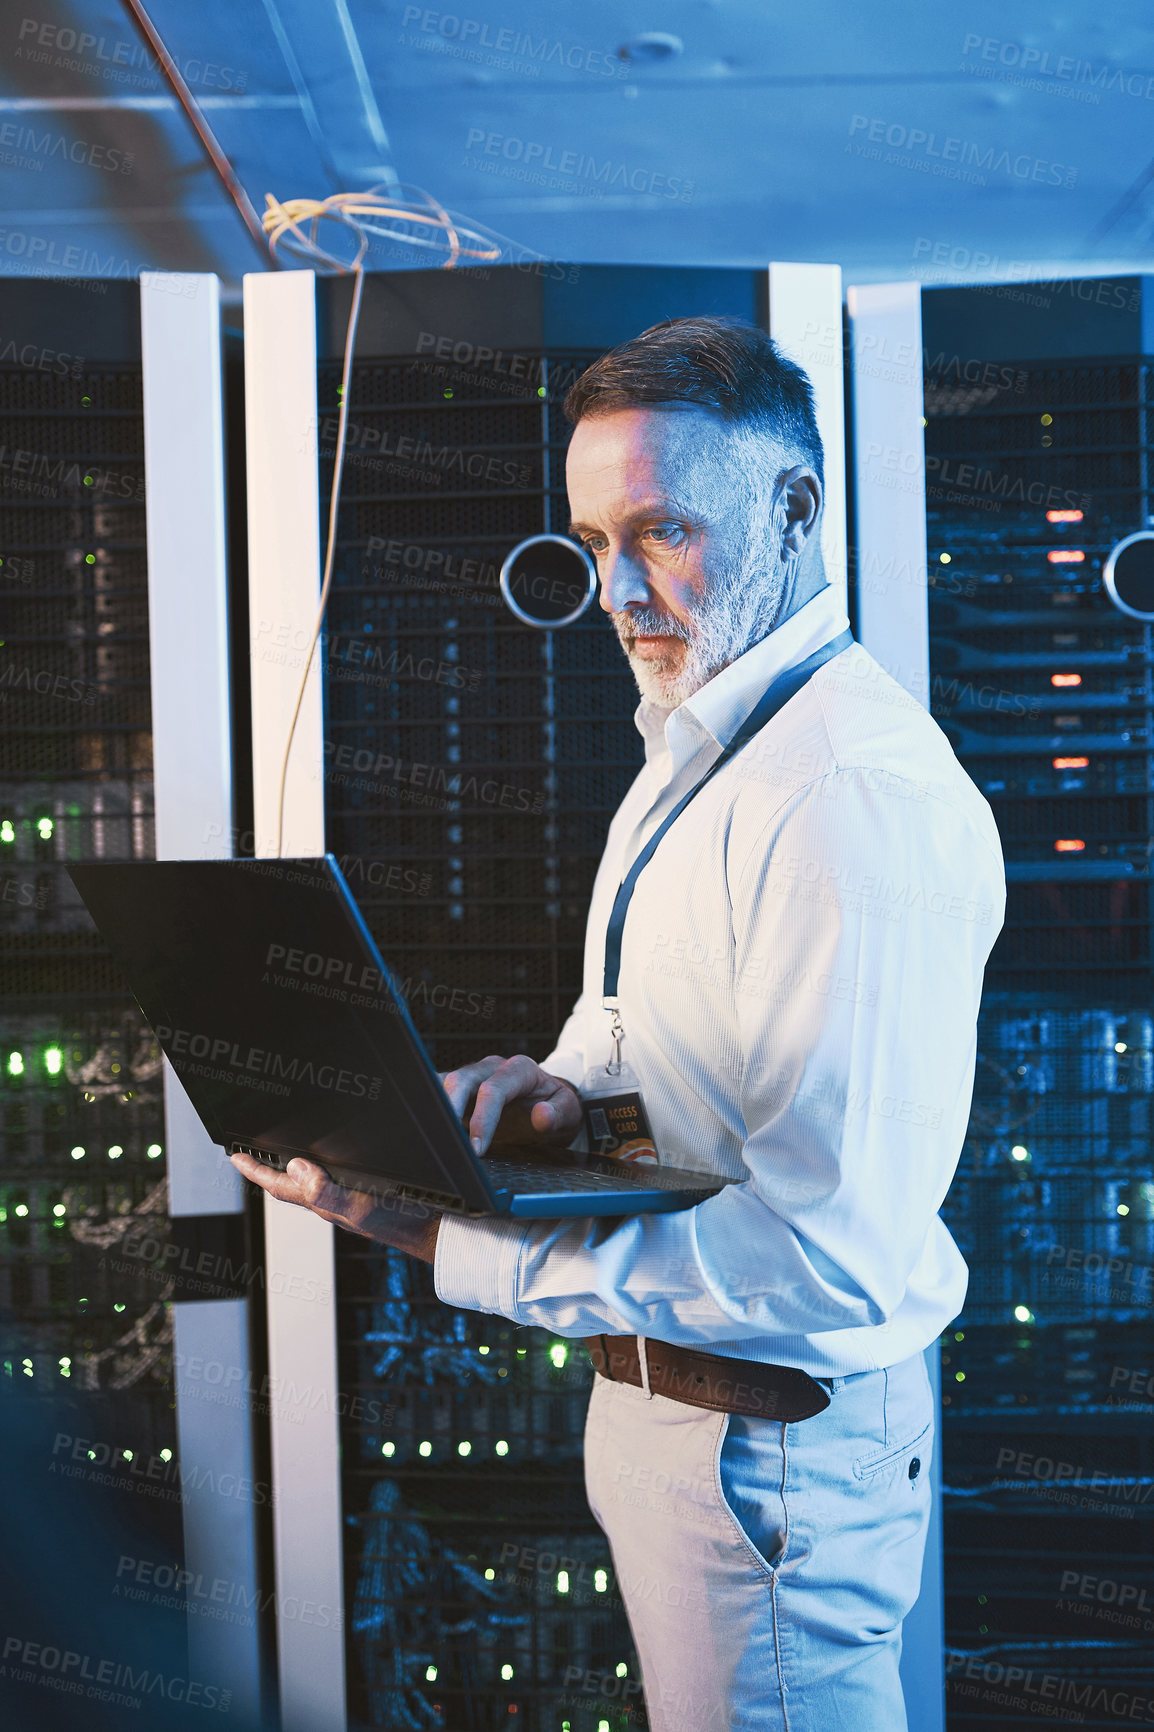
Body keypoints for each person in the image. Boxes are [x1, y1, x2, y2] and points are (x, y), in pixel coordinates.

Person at [232, 315, 1006, 1730]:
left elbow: (824, 1261)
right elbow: (642, 1027)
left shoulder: (851, 799)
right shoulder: (699, 736)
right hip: (684, 1423)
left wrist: (448, 1238)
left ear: (794, 508)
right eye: (593, 542)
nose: (617, 589)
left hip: (763, 1449)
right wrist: (552, 1104)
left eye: (659, 533)